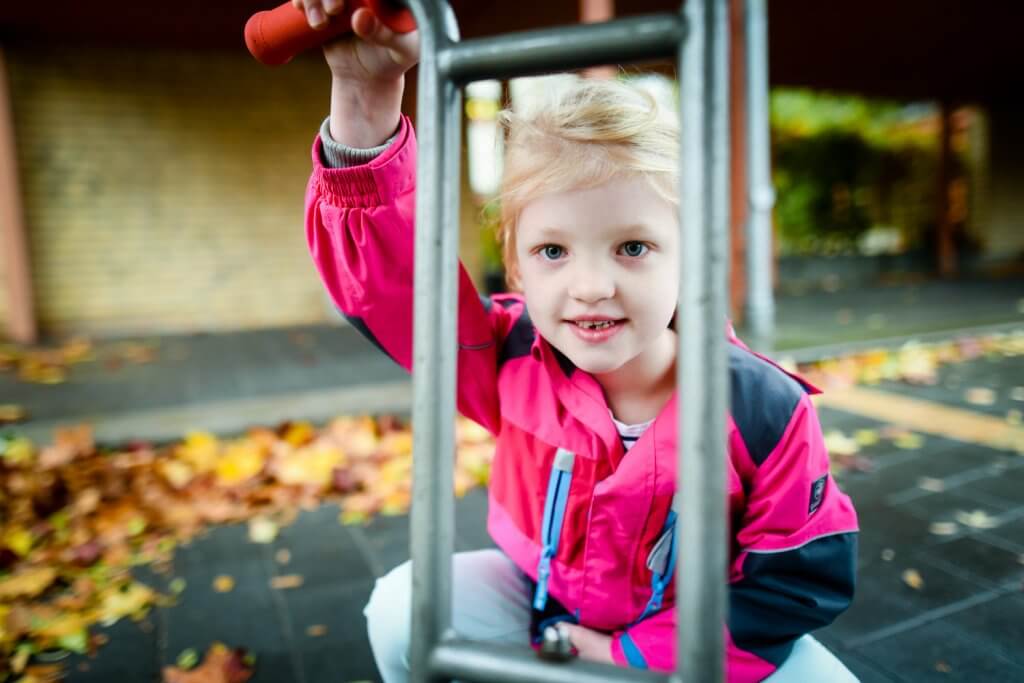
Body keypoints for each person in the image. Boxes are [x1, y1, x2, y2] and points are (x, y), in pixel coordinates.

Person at [293, 1, 860, 680]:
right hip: (545, 606)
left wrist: (633, 655)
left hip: (696, 632)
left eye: (633, 246)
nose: (591, 285)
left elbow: (797, 575)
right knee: (399, 607)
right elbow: (395, 287)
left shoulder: (762, 409)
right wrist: (364, 91)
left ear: (693, 253)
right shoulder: (505, 355)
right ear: (517, 261)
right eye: (553, 250)